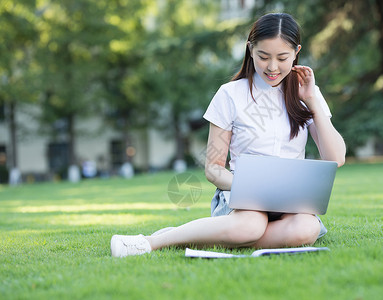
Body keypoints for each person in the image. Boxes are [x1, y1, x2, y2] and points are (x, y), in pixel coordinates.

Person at [110, 13, 346, 258]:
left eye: (282, 58)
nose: (272, 67)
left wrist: (312, 103)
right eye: (263, 57)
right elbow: (213, 168)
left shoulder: (308, 93)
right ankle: (152, 241)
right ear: (250, 49)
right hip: (240, 196)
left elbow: (336, 157)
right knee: (250, 225)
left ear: (297, 52)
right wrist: (254, 189)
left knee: (306, 229)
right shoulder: (230, 94)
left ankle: (205, 235)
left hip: (290, 202)